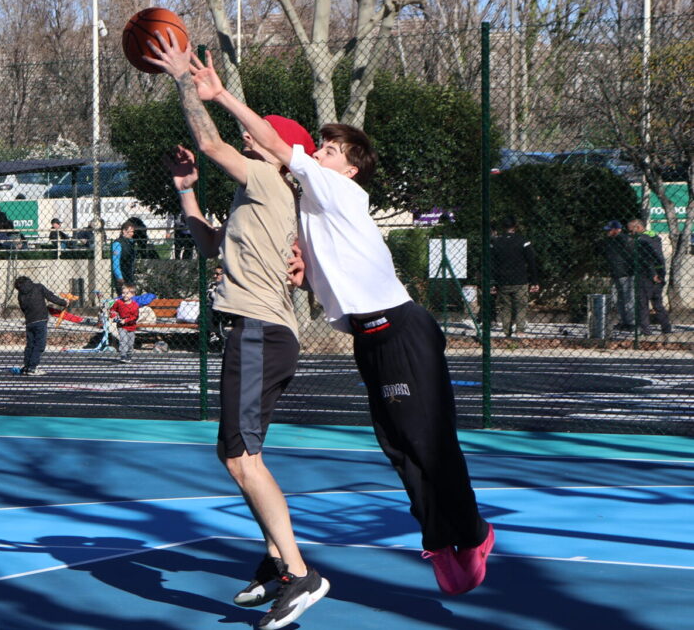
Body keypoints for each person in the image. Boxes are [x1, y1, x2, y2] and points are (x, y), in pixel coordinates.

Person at [154, 42, 494, 603]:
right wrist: (297, 263)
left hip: (401, 325)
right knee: (398, 445)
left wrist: (215, 93)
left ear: (349, 166)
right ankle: (439, 536)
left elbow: (259, 142)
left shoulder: (339, 189)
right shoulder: (306, 209)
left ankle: (471, 533)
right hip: (368, 335)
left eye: (331, 149)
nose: (322, 152)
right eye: (321, 147)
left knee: (426, 439)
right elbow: (256, 243)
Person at [153, 63, 323, 627]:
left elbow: (209, 139)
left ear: (281, 150)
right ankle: (277, 561)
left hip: (258, 333)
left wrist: (183, 77)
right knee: (242, 456)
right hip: (262, 335)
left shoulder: (270, 180)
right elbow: (209, 244)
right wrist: (187, 193)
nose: (252, 137)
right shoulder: (256, 198)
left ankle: (299, 573)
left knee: (239, 456)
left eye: (262, 133)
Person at [489, 217, 540, 338]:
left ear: (503, 227)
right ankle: (520, 330)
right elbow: (531, 261)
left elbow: (491, 264)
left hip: (502, 280)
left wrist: (491, 283)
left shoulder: (496, 243)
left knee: (505, 307)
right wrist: (534, 281)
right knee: (521, 306)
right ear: (515, 227)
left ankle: (507, 331)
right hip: (520, 279)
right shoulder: (522, 241)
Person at [15, 275, 69, 375]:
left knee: (30, 344)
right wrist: (64, 302)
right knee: (40, 344)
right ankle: (32, 367)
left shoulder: (20, 294)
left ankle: (27, 366)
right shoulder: (38, 287)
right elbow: (51, 297)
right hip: (41, 319)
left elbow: (23, 308)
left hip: (29, 321)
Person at [627, 219, 672, 335]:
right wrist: (660, 273)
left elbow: (647, 259)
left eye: (631, 231)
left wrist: (653, 274)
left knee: (642, 303)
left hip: (646, 274)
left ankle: (645, 331)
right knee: (657, 303)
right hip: (659, 272)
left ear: (638, 228)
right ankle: (666, 329)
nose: (631, 234)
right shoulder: (654, 237)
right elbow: (658, 257)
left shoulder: (642, 240)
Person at [601, 221, 636, 330]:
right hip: (616, 273)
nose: (607, 232)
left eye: (609, 230)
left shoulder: (624, 239)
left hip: (626, 273)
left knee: (628, 298)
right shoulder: (611, 241)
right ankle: (624, 321)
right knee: (618, 299)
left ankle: (631, 323)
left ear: (616, 230)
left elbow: (631, 255)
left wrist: (629, 269)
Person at [109, 283, 140, 363]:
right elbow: (112, 310)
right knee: (123, 340)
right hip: (121, 326)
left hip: (131, 326)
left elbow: (135, 317)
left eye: (127, 293)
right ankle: (123, 355)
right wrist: (114, 316)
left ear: (132, 294)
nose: (124, 295)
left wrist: (125, 320)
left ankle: (129, 355)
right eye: (123, 293)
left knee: (130, 343)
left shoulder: (135, 305)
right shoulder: (119, 302)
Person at [111, 221, 139, 292]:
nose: (132, 234)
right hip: (122, 275)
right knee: (124, 296)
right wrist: (119, 277)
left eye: (133, 232)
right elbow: (115, 262)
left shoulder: (131, 243)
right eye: (130, 232)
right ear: (124, 231)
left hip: (129, 274)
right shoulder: (117, 243)